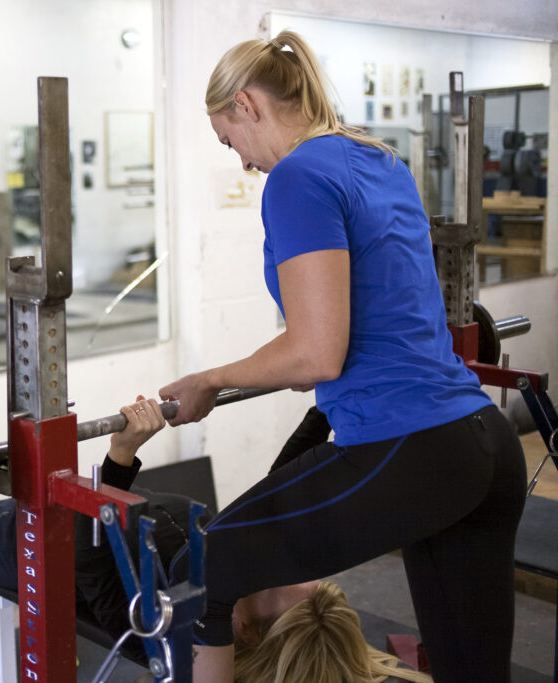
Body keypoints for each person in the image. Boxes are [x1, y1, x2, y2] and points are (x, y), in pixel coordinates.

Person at [157, 30, 525, 682]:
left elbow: (316, 354)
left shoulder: (297, 177)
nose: (241, 162)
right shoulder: (377, 160)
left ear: (246, 105)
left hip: (407, 445)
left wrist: (210, 379)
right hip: (483, 442)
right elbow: (355, 331)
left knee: (210, 561)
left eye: (228, 140)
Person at [0, 398, 430, 683]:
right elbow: (277, 489)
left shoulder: (171, 629)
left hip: (34, 549)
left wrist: (120, 457)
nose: (302, 576)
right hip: (67, 525)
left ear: (248, 628)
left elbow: (84, 539)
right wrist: (330, 401)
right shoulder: (243, 578)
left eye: (297, 592)